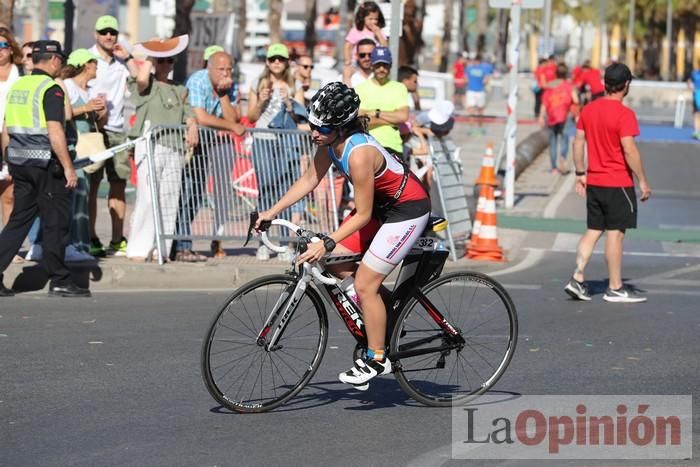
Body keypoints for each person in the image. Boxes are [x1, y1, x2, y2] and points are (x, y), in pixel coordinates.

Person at [255, 82, 430, 389]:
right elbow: (310, 178)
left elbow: (362, 215)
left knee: (365, 282)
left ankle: (378, 358)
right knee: (336, 263)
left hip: (406, 210)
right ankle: (388, 314)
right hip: (380, 208)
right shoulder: (326, 143)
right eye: (312, 125)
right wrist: (272, 211)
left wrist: (327, 241)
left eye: (320, 129)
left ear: (340, 127)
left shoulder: (359, 153)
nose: (314, 133)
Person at [0, 40, 90, 298]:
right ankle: (60, 280)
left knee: (18, 222)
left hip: (19, 164)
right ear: (53, 61)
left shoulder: (19, 86)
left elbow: (6, 128)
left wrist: (9, 158)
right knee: (56, 223)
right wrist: (69, 168)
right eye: (60, 60)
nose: (61, 65)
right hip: (46, 166)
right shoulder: (51, 88)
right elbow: (55, 131)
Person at [564, 63, 652, 304]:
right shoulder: (625, 115)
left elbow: (577, 142)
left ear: (605, 84)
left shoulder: (588, 110)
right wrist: (642, 180)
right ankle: (615, 287)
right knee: (615, 234)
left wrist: (581, 172)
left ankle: (577, 277)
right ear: (625, 86)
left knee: (593, 230)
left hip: (595, 181)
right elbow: (629, 149)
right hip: (618, 183)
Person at [126, 36, 198, 262]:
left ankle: (161, 250)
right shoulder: (147, 85)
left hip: (174, 146)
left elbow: (189, 115)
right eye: (162, 60)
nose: (166, 64)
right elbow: (141, 78)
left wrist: (193, 127)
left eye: (170, 60)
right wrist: (153, 51)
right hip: (151, 144)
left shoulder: (180, 89)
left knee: (169, 199)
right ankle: (139, 248)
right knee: (148, 196)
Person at [172, 51, 244, 262]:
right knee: (186, 193)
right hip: (188, 141)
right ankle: (180, 245)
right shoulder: (198, 80)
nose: (225, 73)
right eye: (221, 69)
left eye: (228, 69)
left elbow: (234, 116)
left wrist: (223, 95)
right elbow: (200, 116)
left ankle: (184, 245)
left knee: (196, 195)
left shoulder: (229, 86)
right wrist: (232, 126)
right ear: (209, 68)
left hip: (206, 143)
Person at [247, 43, 307, 261]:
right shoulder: (258, 82)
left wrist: (289, 103)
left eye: (281, 59)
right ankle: (263, 242)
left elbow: (302, 117)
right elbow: (251, 117)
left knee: (285, 192)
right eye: (273, 59)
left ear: (286, 62)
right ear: (267, 61)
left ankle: (285, 243)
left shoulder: (295, 83)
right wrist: (261, 100)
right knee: (266, 189)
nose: (277, 63)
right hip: (263, 140)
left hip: (287, 142)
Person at [87, 15, 139, 257]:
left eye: (112, 32)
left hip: (118, 131)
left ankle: (117, 239)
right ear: (96, 34)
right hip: (94, 130)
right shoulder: (87, 58)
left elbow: (141, 78)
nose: (109, 36)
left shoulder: (121, 62)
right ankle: (91, 237)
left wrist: (127, 57)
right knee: (92, 186)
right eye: (104, 31)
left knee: (118, 185)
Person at [57, 48, 108, 261]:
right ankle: (72, 246)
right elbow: (62, 113)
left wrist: (100, 112)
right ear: (86, 65)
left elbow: (94, 121)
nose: (97, 67)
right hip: (73, 149)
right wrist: (86, 107)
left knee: (83, 197)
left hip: (86, 150)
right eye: (94, 63)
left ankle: (80, 245)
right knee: (75, 198)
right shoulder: (67, 86)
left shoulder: (88, 90)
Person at [355, 47, 409, 158]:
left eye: (385, 65)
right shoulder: (359, 89)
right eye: (377, 65)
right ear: (372, 65)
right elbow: (359, 121)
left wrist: (376, 113)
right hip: (365, 145)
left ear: (390, 66)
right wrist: (392, 120)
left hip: (393, 146)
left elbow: (403, 116)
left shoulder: (399, 88)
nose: (381, 69)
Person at [0, 27, 23, 264]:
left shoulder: (21, 74)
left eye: (2, 46)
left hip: (12, 137)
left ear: (10, 48)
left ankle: (8, 248)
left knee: (9, 194)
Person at [539, 62, 579, 175]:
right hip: (565, 116)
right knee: (565, 138)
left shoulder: (549, 86)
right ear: (566, 74)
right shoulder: (569, 85)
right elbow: (575, 100)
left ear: (555, 73)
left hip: (551, 116)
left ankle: (553, 168)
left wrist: (541, 116)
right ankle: (562, 157)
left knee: (553, 141)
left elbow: (544, 103)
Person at [343, 1, 388, 74]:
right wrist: (348, 61)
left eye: (376, 19)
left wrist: (378, 34)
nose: (374, 22)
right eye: (370, 19)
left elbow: (385, 47)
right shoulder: (356, 31)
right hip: (357, 64)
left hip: (374, 64)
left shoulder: (379, 31)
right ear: (363, 18)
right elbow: (348, 46)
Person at [465, 54, 492, 134]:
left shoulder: (469, 68)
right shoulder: (484, 68)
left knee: (472, 110)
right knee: (479, 110)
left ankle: (472, 128)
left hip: (472, 90)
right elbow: (486, 80)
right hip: (479, 91)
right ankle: (479, 127)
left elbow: (466, 79)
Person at [689, 62, 700, 140]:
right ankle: (696, 131)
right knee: (696, 114)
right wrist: (692, 87)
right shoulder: (694, 73)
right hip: (697, 96)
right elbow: (689, 82)